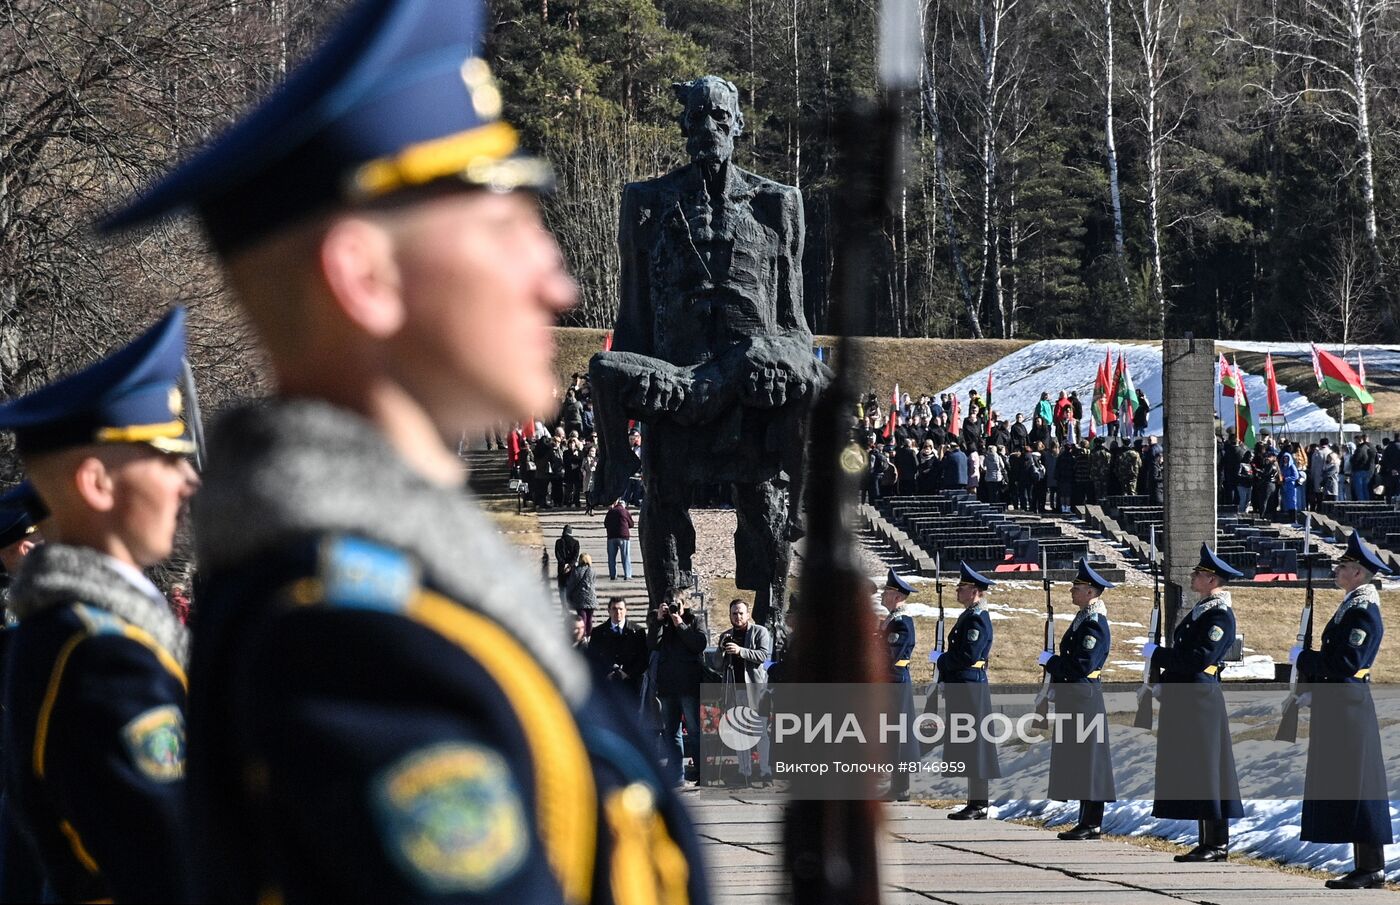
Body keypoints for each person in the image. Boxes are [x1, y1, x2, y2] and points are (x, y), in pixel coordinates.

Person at [100, 0, 709, 899]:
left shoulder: (398, 606)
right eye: (510, 228)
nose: (557, 279)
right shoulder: (356, 646)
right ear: (366, 277)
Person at [0, 311, 198, 902]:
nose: (187, 479)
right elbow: (171, 861)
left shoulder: (95, 630)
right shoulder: (101, 651)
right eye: (166, 457)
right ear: (97, 483)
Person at [1291, 531, 1391, 889]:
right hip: (1338, 703)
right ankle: (1364, 865)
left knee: (1359, 785)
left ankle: (1372, 867)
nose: (1338, 570)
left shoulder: (1363, 612)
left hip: (1349, 705)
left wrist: (1306, 659)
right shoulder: (1351, 607)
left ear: (1359, 574)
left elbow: (1348, 661)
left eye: (1344, 566)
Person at [1142, 544, 1243, 862]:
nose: (1194, 576)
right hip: (1189, 697)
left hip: (1201, 699)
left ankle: (1217, 843)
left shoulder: (1220, 616)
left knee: (1209, 770)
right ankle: (1206, 840)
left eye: (1199, 573)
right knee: (1198, 770)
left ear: (1213, 580)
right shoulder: (1202, 611)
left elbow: (1200, 658)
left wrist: (1158, 655)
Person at [1043, 560, 1117, 841]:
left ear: (1090, 591)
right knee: (1080, 759)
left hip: (1084, 698)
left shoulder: (1094, 625)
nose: (1071, 592)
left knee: (1090, 760)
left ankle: (1092, 823)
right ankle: (1085, 820)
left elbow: (1082, 665)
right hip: (1075, 697)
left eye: (1076, 587)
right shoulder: (1083, 620)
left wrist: (1052, 662)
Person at [930, 562, 1001, 820]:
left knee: (975, 745)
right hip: (963, 686)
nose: (957, 591)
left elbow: (968, 655)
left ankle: (979, 803)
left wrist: (942, 660)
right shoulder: (969, 616)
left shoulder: (976, 619)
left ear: (974, 591)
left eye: (961, 587)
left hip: (970, 686)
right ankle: (975, 801)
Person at [650, 598, 707, 787]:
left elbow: (699, 644)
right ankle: (676, 775)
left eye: (677, 606)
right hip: (667, 686)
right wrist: (659, 620)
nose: (674, 610)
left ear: (685, 605)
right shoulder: (661, 622)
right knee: (672, 732)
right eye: (670, 606)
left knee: (694, 730)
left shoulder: (694, 620)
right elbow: (652, 644)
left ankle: (701, 773)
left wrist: (680, 624)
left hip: (689, 685)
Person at [717, 599, 772, 787]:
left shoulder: (760, 632)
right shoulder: (726, 635)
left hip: (757, 690)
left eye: (741, 613)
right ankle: (744, 771)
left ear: (747, 614)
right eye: (734, 613)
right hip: (735, 690)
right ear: (729, 615)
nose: (738, 617)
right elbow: (717, 664)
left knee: (761, 733)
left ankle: (765, 772)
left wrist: (741, 651)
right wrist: (721, 648)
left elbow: (764, 655)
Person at [879, 570, 918, 801]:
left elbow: (890, 654)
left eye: (887, 592)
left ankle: (901, 787)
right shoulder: (891, 620)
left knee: (899, 735)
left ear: (897, 596)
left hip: (895, 681)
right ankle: (896, 785)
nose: (883, 595)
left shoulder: (902, 624)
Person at [587, 597, 649, 700]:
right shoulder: (598, 632)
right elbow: (592, 658)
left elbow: (643, 658)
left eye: (620, 609)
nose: (618, 612)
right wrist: (606, 673)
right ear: (609, 611)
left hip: (630, 685)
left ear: (626, 610)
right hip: (606, 685)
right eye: (614, 609)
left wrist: (628, 673)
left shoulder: (637, 631)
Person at [565, 552, 597, 635]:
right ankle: (589, 636)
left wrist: (568, 595)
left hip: (580, 598)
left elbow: (571, 584)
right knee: (589, 619)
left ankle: (582, 635)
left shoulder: (576, 571)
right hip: (591, 598)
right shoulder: (592, 571)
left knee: (583, 618)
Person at [604, 497, 634, 580]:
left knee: (611, 557)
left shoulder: (611, 511)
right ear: (623, 505)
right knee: (625, 556)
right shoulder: (625, 511)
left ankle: (613, 575)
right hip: (623, 536)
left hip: (611, 536)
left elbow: (605, 524)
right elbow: (631, 524)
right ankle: (627, 575)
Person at [554, 523, 580, 606]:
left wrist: (563, 563)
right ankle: (571, 604)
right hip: (571, 568)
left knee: (562, 588)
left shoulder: (558, 542)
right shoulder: (576, 542)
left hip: (561, 568)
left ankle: (564, 607)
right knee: (571, 587)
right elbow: (576, 556)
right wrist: (570, 565)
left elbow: (557, 555)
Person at [1350, 434, 1376, 502]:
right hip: (1368, 470)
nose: (1355, 443)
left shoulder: (1360, 449)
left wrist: (1351, 458)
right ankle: (1367, 504)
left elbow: (1355, 460)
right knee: (1365, 489)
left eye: (1356, 441)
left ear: (1360, 440)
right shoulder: (1371, 447)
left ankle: (1362, 504)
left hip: (1359, 470)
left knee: (1359, 490)